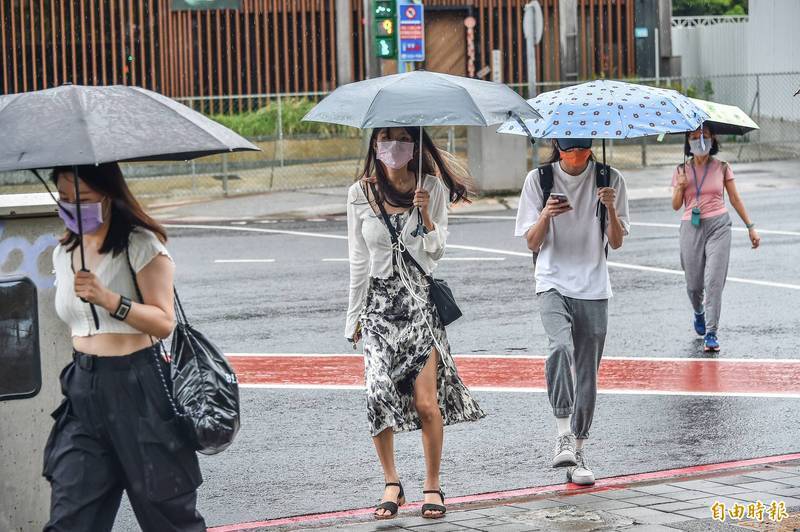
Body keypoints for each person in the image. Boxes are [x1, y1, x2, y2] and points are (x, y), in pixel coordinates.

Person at [43, 163, 204, 531]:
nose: (71, 206)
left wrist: (110, 299)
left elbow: (164, 322)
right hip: (83, 388)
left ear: (107, 193)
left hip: (138, 386)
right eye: (64, 198)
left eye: (80, 198)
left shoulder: (140, 244)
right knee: (71, 516)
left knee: (166, 515)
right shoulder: (64, 251)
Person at [345, 127, 485, 520]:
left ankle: (432, 485)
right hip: (377, 307)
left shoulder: (432, 189)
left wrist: (424, 214)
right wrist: (353, 317)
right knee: (377, 395)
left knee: (426, 403)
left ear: (414, 146)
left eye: (402, 138)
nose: (393, 146)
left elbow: (435, 253)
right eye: (386, 138)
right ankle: (392, 482)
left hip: (419, 305)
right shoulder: (360, 193)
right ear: (375, 144)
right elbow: (358, 258)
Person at [515, 138, 630, 487]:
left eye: (582, 148)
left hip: (594, 286)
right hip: (552, 281)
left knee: (587, 374)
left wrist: (610, 207)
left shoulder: (611, 178)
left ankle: (579, 452)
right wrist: (546, 214)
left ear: (592, 147)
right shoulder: (539, 180)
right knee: (559, 348)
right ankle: (563, 431)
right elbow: (532, 242)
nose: (576, 156)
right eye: (568, 149)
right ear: (557, 146)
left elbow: (618, 240)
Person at [672, 125, 760, 352]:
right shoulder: (681, 169)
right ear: (687, 141)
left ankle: (711, 332)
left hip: (719, 226)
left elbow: (735, 198)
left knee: (713, 281)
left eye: (705, 136)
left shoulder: (722, 167)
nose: (700, 140)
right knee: (693, 285)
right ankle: (699, 312)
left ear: (713, 140)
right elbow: (675, 206)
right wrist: (680, 188)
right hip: (690, 226)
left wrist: (750, 227)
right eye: (694, 137)